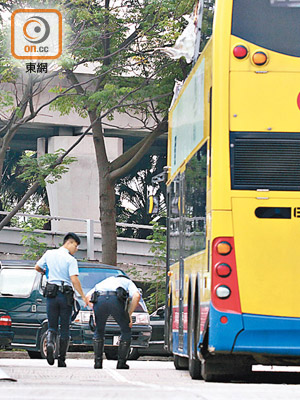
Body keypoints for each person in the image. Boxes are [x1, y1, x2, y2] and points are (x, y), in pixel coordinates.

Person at [35, 232, 88, 367]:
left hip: (51, 294)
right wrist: (82, 295)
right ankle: (61, 359)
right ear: (69, 243)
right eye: (75, 246)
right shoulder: (70, 260)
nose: (76, 250)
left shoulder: (49, 254)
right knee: (65, 327)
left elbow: (37, 267)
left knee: (52, 325)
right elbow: (74, 279)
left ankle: (51, 343)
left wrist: (47, 272)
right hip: (65, 295)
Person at [87, 274, 141, 370]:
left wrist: (95, 311)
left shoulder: (105, 281)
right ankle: (121, 363)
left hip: (100, 299)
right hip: (115, 300)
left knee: (99, 331)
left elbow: (88, 297)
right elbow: (137, 296)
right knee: (126, 330)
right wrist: (129, 314)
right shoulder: (127, 282)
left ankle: (98, 362)